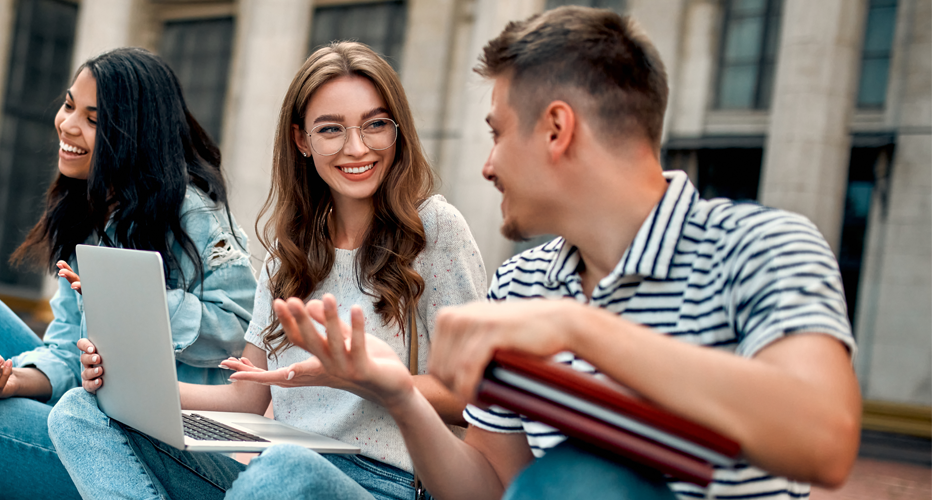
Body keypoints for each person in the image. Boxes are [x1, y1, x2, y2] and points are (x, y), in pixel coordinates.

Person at [266, 7, 861, 500]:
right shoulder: (521, 283)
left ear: (557, 130)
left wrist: (579, 328)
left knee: (581, 477)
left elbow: (825, 440)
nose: (487, 165)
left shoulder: (761, 247)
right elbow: (493, 489)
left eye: (498, 133)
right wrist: (395, 391)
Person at [48, 41, 488, 500]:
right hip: (273, 473)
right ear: (302, 140)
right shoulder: (290, 249)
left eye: (375, 124)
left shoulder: (433, 228)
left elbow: (475, 400)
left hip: (384, 483)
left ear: (398, 130)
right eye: (331, 129)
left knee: (287, 467)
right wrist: (128, 380)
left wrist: (363, 380)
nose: (357, 147)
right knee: (80, 411)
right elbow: (249, 398)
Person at [0, 47, 256, 500]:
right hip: (88, 403)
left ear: (134, 135)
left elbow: (240, 330)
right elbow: (66, 350)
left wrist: (132, 301)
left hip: (146, 453)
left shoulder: (191, 212)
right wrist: (14, 379)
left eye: (94, 120)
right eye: (69, 104)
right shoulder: (90, 210)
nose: (67, 124)